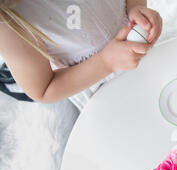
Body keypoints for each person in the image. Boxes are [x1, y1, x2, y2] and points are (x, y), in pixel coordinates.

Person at [0, 0, 162, 110]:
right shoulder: (6, 22)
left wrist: (136, 6)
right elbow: (43, 89)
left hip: (148, 51)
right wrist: (106, 62)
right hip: (100, 85)